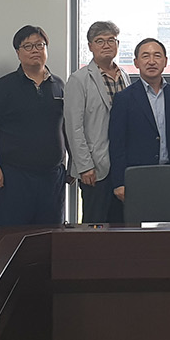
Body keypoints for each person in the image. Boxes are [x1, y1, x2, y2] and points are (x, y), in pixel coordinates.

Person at [0, 26, 67, 226]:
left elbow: (66, 126)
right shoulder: (5, 86)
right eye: (28, 46)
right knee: (11, 235)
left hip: (51, 178)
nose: (35, 50)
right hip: (13, 177)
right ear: (18, 53)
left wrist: (72, 166)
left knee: (50, 234)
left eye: (40, 45)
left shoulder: (59, 85)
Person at [64, 21, 131, 224]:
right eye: (100, 41)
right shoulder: (79, 79)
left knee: (122, 223)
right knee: (95, 224)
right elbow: (74, 127)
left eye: (111, 40)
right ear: (90, 46)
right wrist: (84, 166)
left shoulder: (124, 76)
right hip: (95, 166)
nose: (106, 45)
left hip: (121, 165)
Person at [107, 38, 170, 202]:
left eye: (157, 56)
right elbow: (117, 143)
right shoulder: (124, 98)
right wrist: (119, 182)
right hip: (138, 175)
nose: (151, 61)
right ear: (136, 62)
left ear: (165, 61)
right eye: (145, 56)